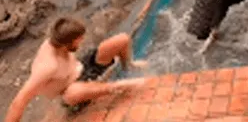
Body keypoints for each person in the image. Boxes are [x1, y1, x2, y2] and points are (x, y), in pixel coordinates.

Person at [5, 16, 148, 122]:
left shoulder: (57, 39)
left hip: (85, 69)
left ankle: (129, 65)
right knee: (72, 93)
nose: (82, 40)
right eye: (79, 39)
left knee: (121, 39)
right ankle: (117, 86)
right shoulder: (47, 67)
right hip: (73, 93)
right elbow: (19, 101)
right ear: (67, 43)